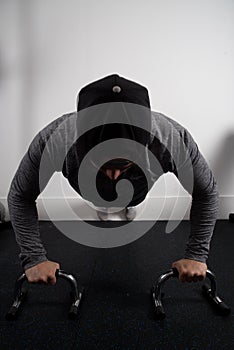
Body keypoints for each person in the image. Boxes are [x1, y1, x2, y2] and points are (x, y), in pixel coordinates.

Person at [7, 74, 219, 285]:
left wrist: (196, 255)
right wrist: (34, 258)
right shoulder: (55, 139)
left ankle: (125, 205)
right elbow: (20, 196)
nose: (114, 176)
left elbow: (206, 192)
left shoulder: (171, 138)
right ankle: (106, 202)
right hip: (88, 188)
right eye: (105, 166)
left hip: (137, 189)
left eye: (123, 166)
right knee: (101, 198)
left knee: (128, 198)